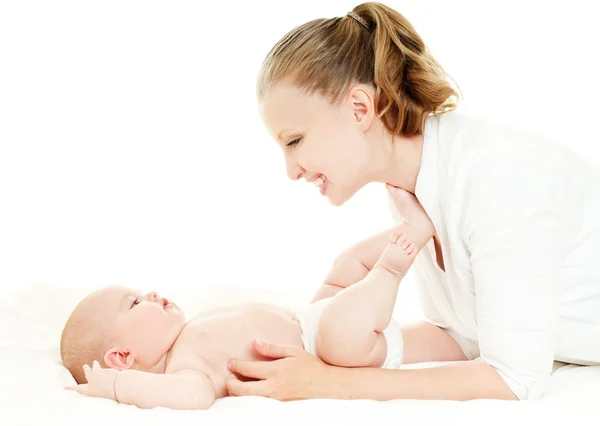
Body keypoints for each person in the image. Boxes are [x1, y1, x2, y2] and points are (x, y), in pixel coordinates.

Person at [225, 1, 600, 401]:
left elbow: (515, 378)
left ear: (360, 108)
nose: (291, 171)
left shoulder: (494, 177)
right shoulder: (411, 186)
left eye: (295, 140)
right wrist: (322, 347)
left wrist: (332, 384)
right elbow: (463, 334)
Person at [61, 194, 434, 410]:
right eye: (136, 302)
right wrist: (114, 389)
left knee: (347, 265)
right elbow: (195, 398)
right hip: (328, 349)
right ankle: (393, 265)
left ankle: (420, 227)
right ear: (123, 358)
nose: (153, 294)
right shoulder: (185, 371)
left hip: (310, 319)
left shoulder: (186, 335)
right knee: (342, 322)